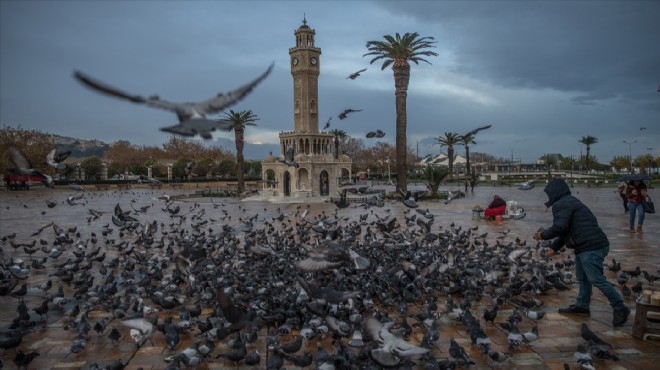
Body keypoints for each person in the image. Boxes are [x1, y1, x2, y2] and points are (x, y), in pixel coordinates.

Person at [534, 179, 629, 327]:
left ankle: (620, 307)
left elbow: (559, 227)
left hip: (591, 246)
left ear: (555, 192)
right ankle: (582, 306)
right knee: (583, 278)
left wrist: (543, 235)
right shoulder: (570, 201)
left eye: (549, 194)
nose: (548, 197)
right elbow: (566, 230)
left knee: (596, 279)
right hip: (587, 245)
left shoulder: (561, 204)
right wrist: (554, 248)